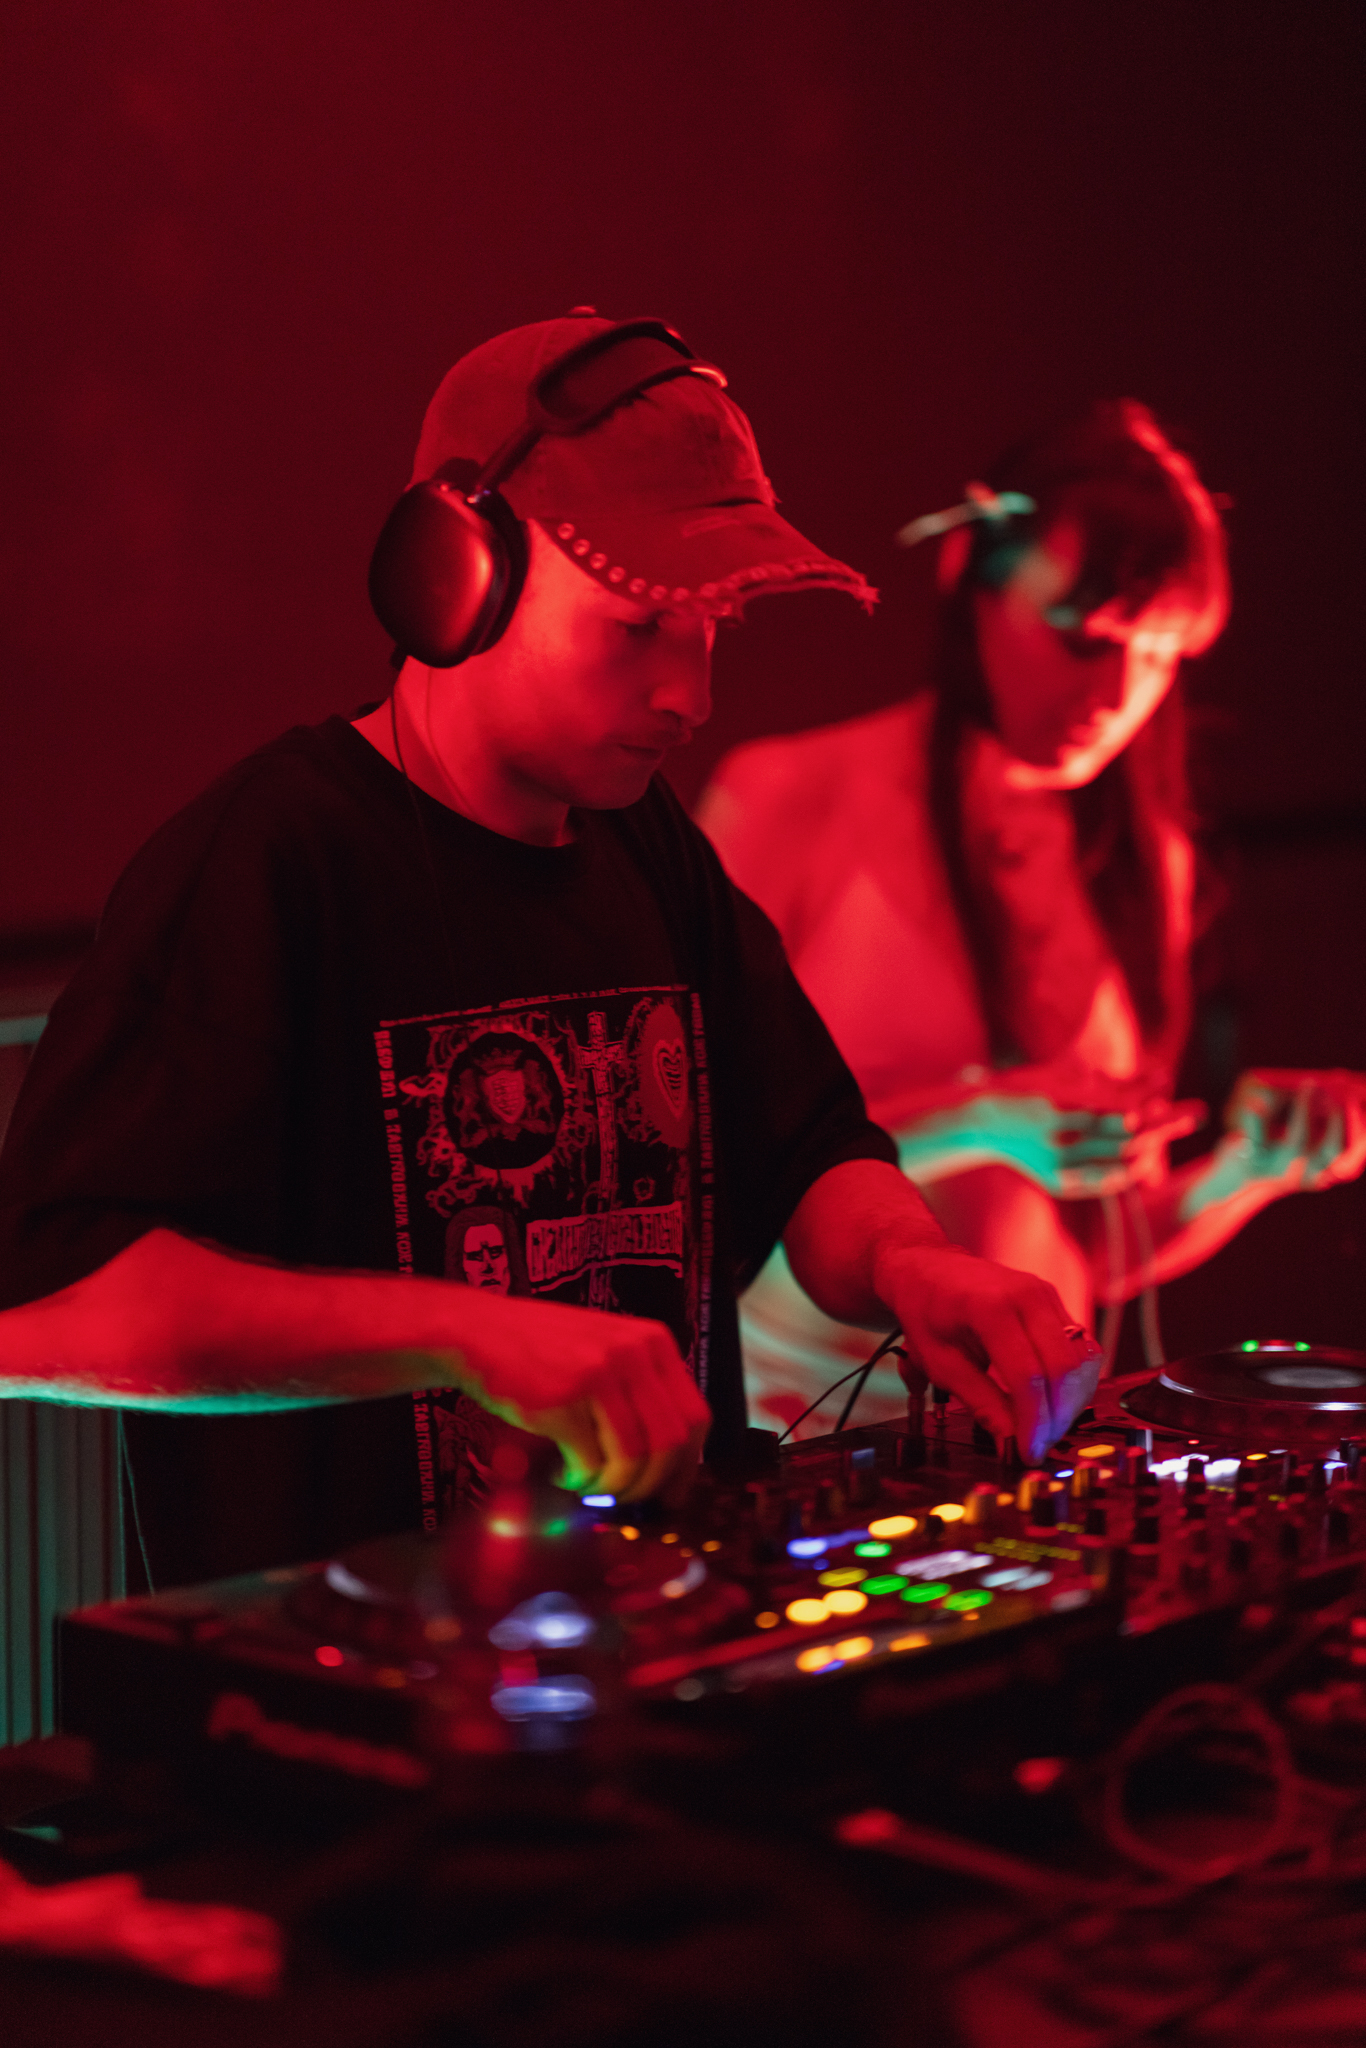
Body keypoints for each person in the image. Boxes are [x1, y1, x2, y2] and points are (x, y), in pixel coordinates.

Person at [0, 311, 1095, 1588]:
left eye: (712, 629)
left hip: (635, 1649)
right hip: (344, 1717)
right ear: (458, 575)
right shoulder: (267, 861)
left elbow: (807, 1150)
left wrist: (917, 1264)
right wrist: (461, 1334)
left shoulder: (648, 845)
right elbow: (52, 1313)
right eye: (639, 624)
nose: (691, 696)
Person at [698, 400, 1366, 1436]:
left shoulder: (1147, 861)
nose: (1118, 693)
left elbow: (1095, 1247)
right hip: (809, 1430)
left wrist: (1247, 1169)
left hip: (1035, 1426)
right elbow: (702, 1162)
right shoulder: (786, 795)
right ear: (969, 568)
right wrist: (980, 1112)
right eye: (1084, 638)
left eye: (1160, 657)